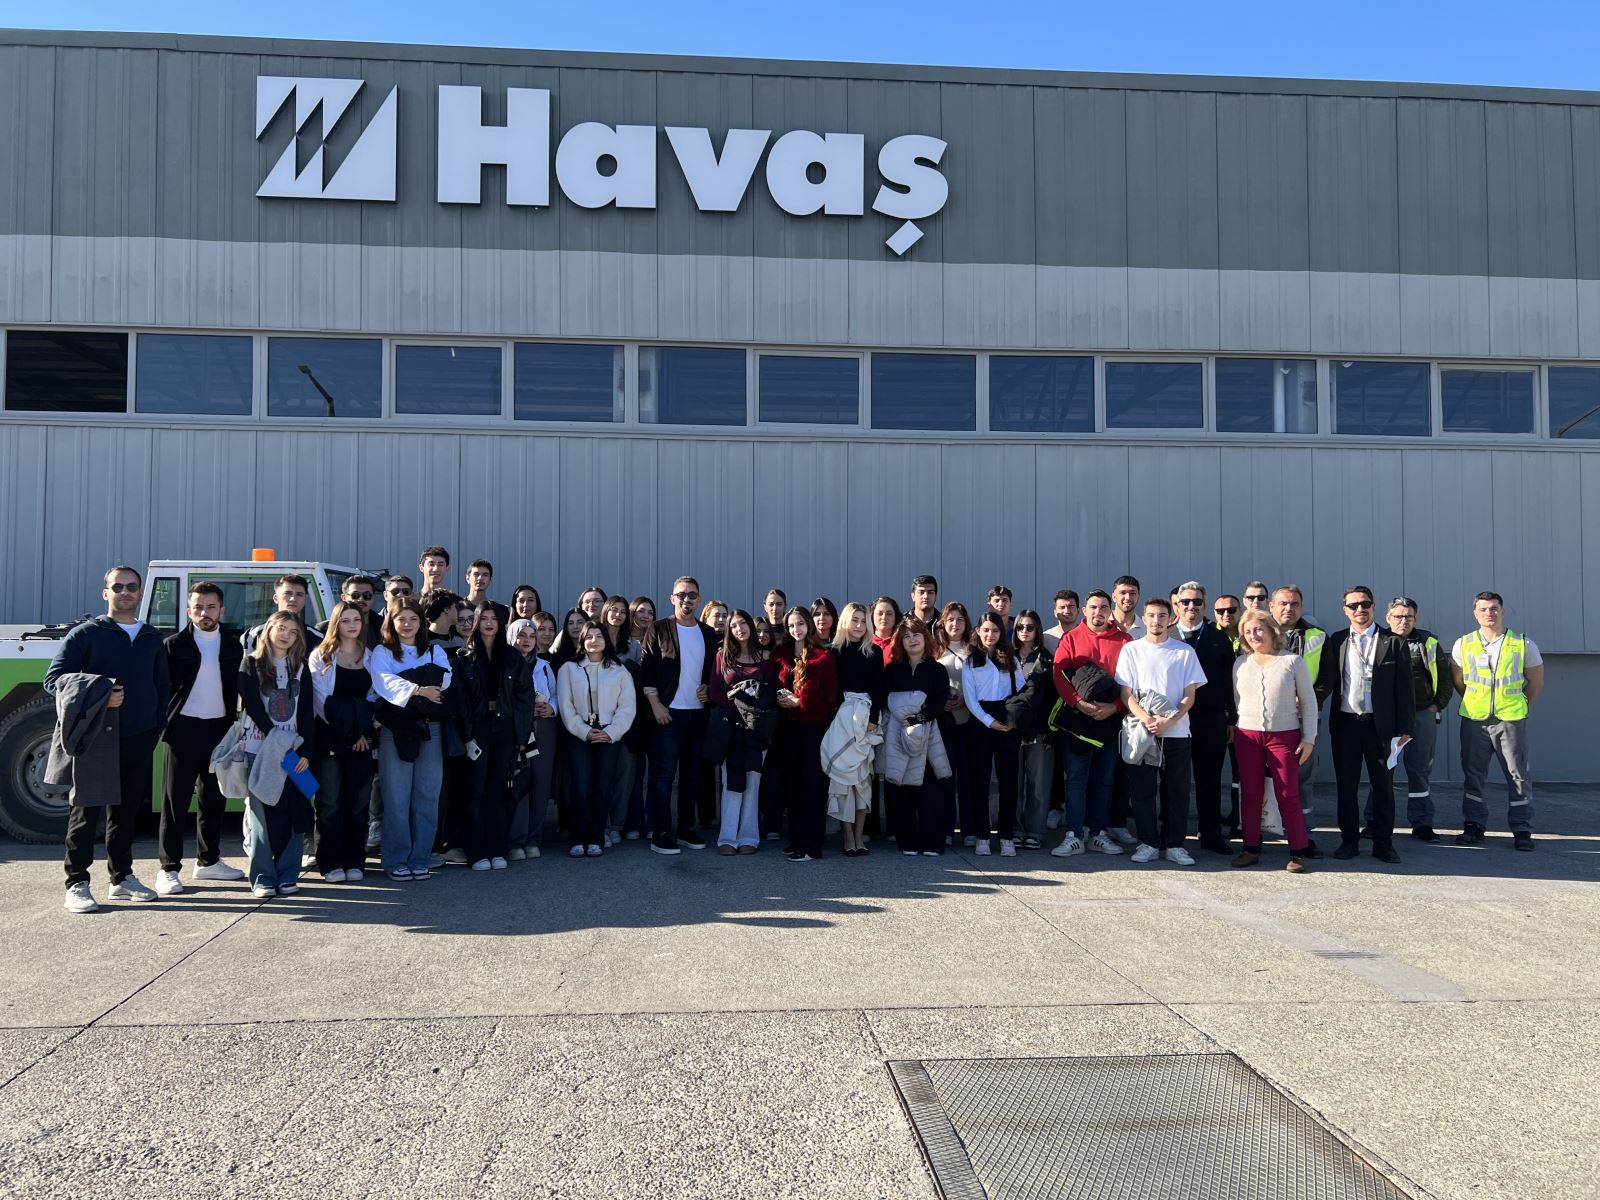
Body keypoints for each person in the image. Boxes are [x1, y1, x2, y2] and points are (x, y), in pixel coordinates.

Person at [48, 566, 172, 913]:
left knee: (126, 812)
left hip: (139, 736)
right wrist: (101, 695)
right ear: (106, 593)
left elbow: (162, 685)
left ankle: (122, 878)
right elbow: (55, 680)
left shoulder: (151, 637)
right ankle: (77, 883)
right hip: (96, 737)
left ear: (141, 593)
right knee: (85, 811)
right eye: (118, 587)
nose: (125, 592)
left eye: (132, 587)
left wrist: (156, 725)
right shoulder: (86, 635)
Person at [155, 581, 245, 895]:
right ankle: (168, 869)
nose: (204, 613)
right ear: (188, 610)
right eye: (198, 607)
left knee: (214, 799)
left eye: (210, 607)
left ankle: (209, 861)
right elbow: (160, 689)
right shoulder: (173, 645)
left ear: (222, 610)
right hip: (182, 731)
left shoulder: (234, 645)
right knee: (175, 801)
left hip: (220, 731)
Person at [1315, 585, 1414, 864]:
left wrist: (1406, 729)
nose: (1360, 609)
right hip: (1346, 725)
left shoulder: (1393, 642)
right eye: (1353, 605)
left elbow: (1405, 690)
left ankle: (1383, 843)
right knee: (1346, 787)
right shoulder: (1336, 640)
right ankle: (1349, 841)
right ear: (1345, 610)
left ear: (1373, 606)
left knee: (1383, 787)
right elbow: (1328, 682)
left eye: (1365, 604)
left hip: (1381, 728)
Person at [1116, 598, 1207, 866]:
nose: (1157, 620)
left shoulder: (1184, 652)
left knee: (1177, 791)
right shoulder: (1131, 650)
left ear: (1171, 619)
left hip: (1177, 733)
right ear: (1144, 618)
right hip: (1144, 733)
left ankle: (1175, 845)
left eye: (1162, 615)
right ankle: (1148, 842)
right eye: (1152, 615)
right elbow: (1126, 693)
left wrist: (1170, 720)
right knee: (1143, 791)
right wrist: (1146, 719)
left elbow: (1190, 695)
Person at [1451, 591, 1544, 851]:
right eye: (1483, 609)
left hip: (1510, 720)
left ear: (1502, 611)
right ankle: (1474, 825)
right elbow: (1458, 680)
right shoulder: (1463, 644)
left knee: (1518, 775)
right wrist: (1477, 702)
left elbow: (1536, 681)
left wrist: (1519, 705)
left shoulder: (1523, 644)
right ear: (1475, 613)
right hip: (1475, 720)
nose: (1489, 613)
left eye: (1493, 608)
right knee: (1473, 774)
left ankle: (1522, 829)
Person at [371, 598, 452, 881]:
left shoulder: (434, 650)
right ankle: (396, 859)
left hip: (431, 728)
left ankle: (420, 858)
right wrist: (419, 688)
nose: (407, 624)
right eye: (401, 619)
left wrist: (408, 683)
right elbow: (384, 682)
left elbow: (443, 681)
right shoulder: (382, 652)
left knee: (427, 795)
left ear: (421, 622)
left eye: (413, 619)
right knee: (397, 796)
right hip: (396, 730)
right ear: (391, 622)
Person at [1229, 610, 1316, 872]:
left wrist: (1309, 738)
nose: (1253, 635)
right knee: (1250, 793)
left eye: (1258, 629)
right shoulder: (1241, 663)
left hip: (1284, 736)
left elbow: (1308, 701)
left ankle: (1297, 851)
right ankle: (1250, 848)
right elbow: (1238, 700)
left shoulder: (1292, 661)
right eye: (1247, 632)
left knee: (1288, 793)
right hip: (1248, 736)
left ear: (1271, 630)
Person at [237, 611, 316, 898]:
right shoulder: (251, 663)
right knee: (261, 817)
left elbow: (306, 711)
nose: (287, 635)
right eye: (282, 628)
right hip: (259, 750)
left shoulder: (301, 667)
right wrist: (276, 739)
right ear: (269, 629)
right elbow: (253, 706)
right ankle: (262, 878)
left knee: (298, 812)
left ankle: (288, 875)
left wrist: (306, 750)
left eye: (293, 632)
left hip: (294, 751)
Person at [641, 576, 720, 854]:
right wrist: (656, 705)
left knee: (692, 775)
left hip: (697, 715)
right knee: (664, 775)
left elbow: (712, 671)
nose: (687, 599)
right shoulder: (659, 628)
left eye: (692, 595)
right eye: (681, 595)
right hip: (668, 714)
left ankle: (687, 828)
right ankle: (660, 832)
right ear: (672, 598)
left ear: (699, 600)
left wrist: (708, 688)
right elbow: (647, 670)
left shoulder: (707, 632)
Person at [1050, 590, 1130, 858]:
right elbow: (1058, 675)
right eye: (1093, 607)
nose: (1098, 612)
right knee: (1075, 779)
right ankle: (1074, 835)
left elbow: (1132, 682)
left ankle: (1098, 834)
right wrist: (1078, 704)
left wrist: (1114, 707)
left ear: (1110, 610)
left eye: (1104, 607)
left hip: (1110, 720)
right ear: (1084, 610)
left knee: (1105, 780)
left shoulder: (1125, 640)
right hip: (1078, 722)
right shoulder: (1071, 638)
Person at [456, 603, 535, 871]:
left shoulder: (512, 656)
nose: (489, 623)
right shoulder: (463, 656)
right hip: (476, 728)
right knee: (474, 790)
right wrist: (466, 734)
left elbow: (524, 698)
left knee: (499, 790)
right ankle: (475, 852)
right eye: (484, 618)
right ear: (476, 622)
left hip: (505, 727)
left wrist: (522, 737)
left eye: (494, 619)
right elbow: (459, 699)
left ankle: (497, 849)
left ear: (501, 624)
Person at [1371, 597, 1453, 843]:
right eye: (1398, 616)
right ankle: (1374, 821)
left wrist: (1436, 706)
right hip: (1387, 717)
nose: (1403, 621)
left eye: (1408, 616)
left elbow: (1445, 679)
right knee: (1382, 770)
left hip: (1420, 715)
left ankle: (1422, 823)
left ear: (1416, 619)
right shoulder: (1377, 640)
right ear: (1388, 618)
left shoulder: (1428, 643)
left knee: (1419, 771)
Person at [307, 602, 375, 883]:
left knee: (358, 804)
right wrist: (349, 732)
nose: (351, 625)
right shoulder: (321, 656)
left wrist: (361, 733)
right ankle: (330, 861)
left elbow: (373, 698)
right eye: (345, 620)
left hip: (362, 742)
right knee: (330, 803)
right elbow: (322, 703)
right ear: (336, 623)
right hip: (329, 741)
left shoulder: (370, 656)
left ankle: (355, 860)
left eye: (356, 620)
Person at [557, 620, 636, 857]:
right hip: (579, 734)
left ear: (606, 640)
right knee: (581, 787)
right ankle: (577, 838)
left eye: (599, 636)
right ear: (582, 641)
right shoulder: (569, 669)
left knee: (603, 787)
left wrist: (611, 732)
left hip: (608, 734)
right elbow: (566, 705)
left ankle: (596, 838)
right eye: (589, 636)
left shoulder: (619, 670)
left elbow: (627, 707)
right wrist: (583, 730)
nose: (594, 640)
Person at [1171, 581, 1238, 855]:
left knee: (1209, 780)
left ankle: (1210, 834)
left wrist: (1231, 719)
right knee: (1173, 780)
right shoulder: (1166, 635)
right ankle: (1172, 833)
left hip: (1211, 720)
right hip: (1174, 720)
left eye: (1197, 602)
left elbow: (1230, 682)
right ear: (1176, 605)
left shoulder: (1217, 637)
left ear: (1204, 605)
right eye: (1185, 602)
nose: (1191, 606)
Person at [708, 610, 778, 854]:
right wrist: (738, 701)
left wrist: (748, 697)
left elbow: (770, 693)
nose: (740, 629)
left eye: (743, 624)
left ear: (750, 626)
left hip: (756, 730)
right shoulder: (722, 655)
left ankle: (749, 837)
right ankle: (727, 837)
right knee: (731, 781)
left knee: (753, 782)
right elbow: (715, 692)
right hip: (730, 728)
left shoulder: (765, 658)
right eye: (734, 625)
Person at [771, 607, 838, 861]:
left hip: (812, 728)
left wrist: (800, 702)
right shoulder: (781, 654)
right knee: (792, 785)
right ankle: (796, 839)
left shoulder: (823, 657)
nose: (795, 629)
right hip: (787, 728)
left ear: (808, 625)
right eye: (791, 625)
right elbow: (772, 685)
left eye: (800, 624)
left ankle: (811, 846)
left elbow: (829, 698)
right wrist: (780, 698)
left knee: (812, 785)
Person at [883, 618, 953, 856]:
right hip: (898, 735)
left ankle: (933, 841)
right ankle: (907, 841)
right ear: (900, 642)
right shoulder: (892, 670)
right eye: (906, 636)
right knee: (901, 789)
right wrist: (904, 718)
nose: (912, 640)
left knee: (931, 790)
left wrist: (916, 719)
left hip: (930, 735)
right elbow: (886, 698)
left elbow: (938, 702)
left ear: (925, 638)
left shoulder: (937, 669)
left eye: (916, 635)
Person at [1269, 585, 1327, 857]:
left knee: (1302, 778)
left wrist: (1305, 699)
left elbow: (1327, 679)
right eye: (1282, 603)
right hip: (1266, 720)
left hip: (1305, 718)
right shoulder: (1258, 632)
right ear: (1271, 606)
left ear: (1301, 607)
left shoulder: (1318, 637)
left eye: (1294, 604)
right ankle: (1262, 831)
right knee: (1264, 778)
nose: (1288, 608)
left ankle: (1305, 834)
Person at [962, 610, 1023, 856]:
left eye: (995, 630)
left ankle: (1006, 835)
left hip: (1008, 719)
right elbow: (970, 699)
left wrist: (1010, 720)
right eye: (986, 630)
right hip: (981, 722)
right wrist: (989, 722)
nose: (990, 635)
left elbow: (1021, 690)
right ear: (978, 631)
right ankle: (982, 836)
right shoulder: (970, 661)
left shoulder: (1011, 659)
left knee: (1009, 781)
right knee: (980, 781)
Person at [829, 602, 885, 855]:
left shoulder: (874, 651)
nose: (860, 625)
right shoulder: (834, 651)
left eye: (864, 621)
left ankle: (860, 836)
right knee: (843, 779)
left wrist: (873, 719)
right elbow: (832, 689)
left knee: (863, 780)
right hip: (841, 721)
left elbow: (878, 688)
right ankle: (847, 836)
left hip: (866, 720)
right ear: (845, 622)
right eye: (855, 620)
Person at [506, 617, 559, 860]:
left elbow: (556, 695)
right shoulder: (505, 664)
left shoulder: (545, 666)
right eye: (521, 635)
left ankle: (533, 838)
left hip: (543, 727)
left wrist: (551, 708)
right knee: (519, 781)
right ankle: (515, 840)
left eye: (531, 636)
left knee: (540, 782)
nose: (526, 640)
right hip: (514, 728)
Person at [1012, 609, 1054, 849]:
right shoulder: (1005, 656)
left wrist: (1050, 730)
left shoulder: (1046, 659)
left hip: (1039, 730)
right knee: (1013, 783)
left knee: (1038, 783)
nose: (1025, 631)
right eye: (1020, 627)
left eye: (1030, 627)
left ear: (1037, 630)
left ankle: (1035, 831)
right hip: (1011, 729)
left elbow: (1053, 698)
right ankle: (1015, 829)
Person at [935, 602, 975, 844]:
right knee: (946, 777)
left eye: (959, 619)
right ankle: (947, 829)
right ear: (943, 623)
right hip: (945, 722)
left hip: (970, 721)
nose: (955, 624)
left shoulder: (974, 649)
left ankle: (970, 830)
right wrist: (941, 703)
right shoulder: (934, 649)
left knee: (968, 778)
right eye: (950, 619)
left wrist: (965, 699)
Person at [241, 573, 310, 652]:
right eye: (287, 593)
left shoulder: (316, 638)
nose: (293, 599)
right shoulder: (254, 635)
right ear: (276, 598)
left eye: (299, 594)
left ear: (305, 599)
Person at [464, 559, 511, 629]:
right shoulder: (457, 608)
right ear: (468, 578)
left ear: (490, 580)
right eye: (476, 574)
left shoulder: (500, 610)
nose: (480, 578)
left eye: (485, 575)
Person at [1042, 590, 1080, 654]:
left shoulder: (1088, 635)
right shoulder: (1045, 639)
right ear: (1055, 613)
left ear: (1078, 610)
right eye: (1062, 607)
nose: (1067, 611)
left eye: (1071, 606)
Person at [870, 596, 902, 662]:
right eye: (880, 613)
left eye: (889, 614)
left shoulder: (902, 643)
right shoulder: (864, 642)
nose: (884, 617)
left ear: (895, 617)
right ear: (872, 616)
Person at [626, 597, 656, 665]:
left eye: (650, 613)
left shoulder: (656, 639)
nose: (646, 616)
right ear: (632, 612)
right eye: (641, 611)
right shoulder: (621, 637)